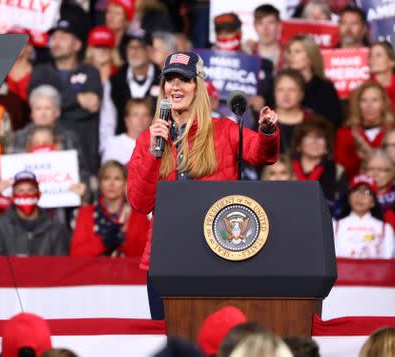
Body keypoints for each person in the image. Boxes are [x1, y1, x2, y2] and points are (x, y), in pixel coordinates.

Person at [127, 52, 279, 316]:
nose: (175, 86)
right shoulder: (148, 140)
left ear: (198, 86)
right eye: (169, 79)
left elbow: (261, 154)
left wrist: (266, 130)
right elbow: (140, 203)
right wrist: (154, 152)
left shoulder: (224, 130)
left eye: (183, 80)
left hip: (217, 254)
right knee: (169, 338)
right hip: (167, 256)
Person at [29, 18, 102, 174]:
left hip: (83, 154)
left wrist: (56, 101)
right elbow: (35, 100)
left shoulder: (91, 72)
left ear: (77, 45)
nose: (56, 42)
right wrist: (77, 99)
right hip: (45, 157)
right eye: (53, 37)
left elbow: (92, 106)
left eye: (63, 37)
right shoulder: (40, 72)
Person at [70, 160, 149, 257]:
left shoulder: (138, 215)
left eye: (117, 179)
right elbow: (75, 254)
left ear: (125, 183)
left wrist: (123, 243)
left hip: (128, 271)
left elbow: (146, 255)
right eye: (106, 178)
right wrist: (103, 242)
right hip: (94, 271)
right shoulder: (85, 213)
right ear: (100, 183)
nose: (112, 184)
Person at [0, 171, 70, 256]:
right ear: (12, 196)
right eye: (20, 191)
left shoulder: (55, 227)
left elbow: (61, 264)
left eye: (30, 190)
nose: (25, 194)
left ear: (39, 194)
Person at [335, 81, 395, 180]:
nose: (369, 106)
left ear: (384, 103)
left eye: (375, 100)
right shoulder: (345, 133)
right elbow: (341, 170)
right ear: (357, 104)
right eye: (364, 100)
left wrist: (365, 150)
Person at [282, 35, 342, 128]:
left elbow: (335, 122)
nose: (291, 56)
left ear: (311, 55)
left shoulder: (325, 88)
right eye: (290, 52)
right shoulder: (278, 83)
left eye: (297, 51)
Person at [291, 116, 346, 212]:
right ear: (299, 143)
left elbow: (341, 204)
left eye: (320, 137)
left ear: (327, 145)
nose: (315, 142)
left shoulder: (338, 170)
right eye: (309, 137)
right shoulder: (285, 167)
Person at [334, 174, 395, 259]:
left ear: (373, 201)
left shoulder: (385, 229)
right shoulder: (335, 227)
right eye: (355, 191)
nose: (360, 196)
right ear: (349, 197)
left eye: (367, 192)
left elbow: (390, 263)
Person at [102, 98, 153, 165]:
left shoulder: (155, 144)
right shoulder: (113, 143)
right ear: (126, 119)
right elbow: (107, 171)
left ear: (151, 119)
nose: (140, 119)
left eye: (145, 114)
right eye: (135, 114)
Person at [272, 68, 307, 155]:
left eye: (292, 90)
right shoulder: (262, 121)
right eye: (280, 90)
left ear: (301, 94)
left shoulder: (313, 122)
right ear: (274, 93)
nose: (286, 95)